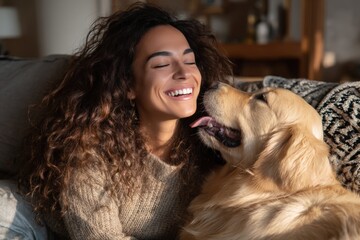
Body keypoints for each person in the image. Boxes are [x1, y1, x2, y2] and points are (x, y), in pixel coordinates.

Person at [8, 2, 233, 239]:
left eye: (190, 61)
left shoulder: (210, 143)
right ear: (127, 85)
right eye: (162, 64)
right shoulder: (88, 151)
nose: (184, 73)